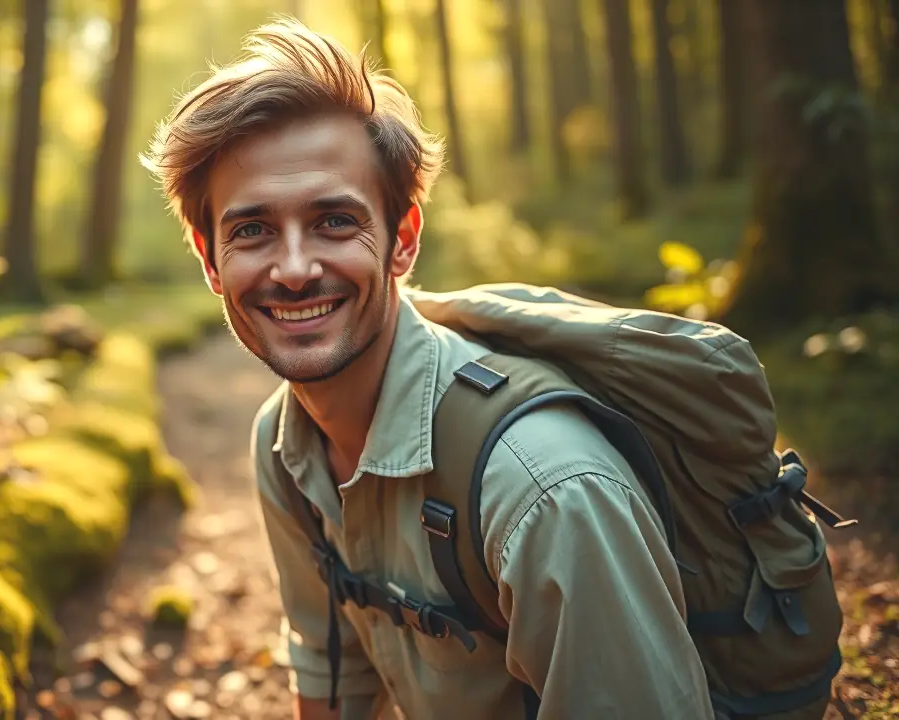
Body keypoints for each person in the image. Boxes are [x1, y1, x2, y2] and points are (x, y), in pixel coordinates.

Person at [140, 18, 715, 720]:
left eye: (333, 222)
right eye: (253, 230)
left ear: (402, 240)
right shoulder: (283, 447)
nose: (293, 270)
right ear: (209, 260)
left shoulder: (546, 493)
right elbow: (331, 671)